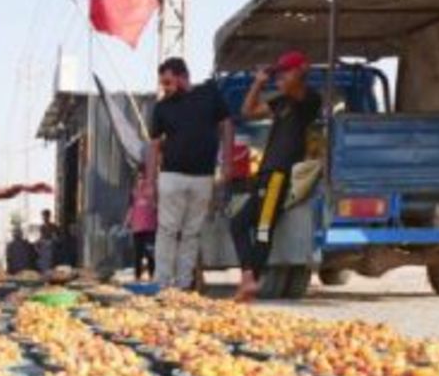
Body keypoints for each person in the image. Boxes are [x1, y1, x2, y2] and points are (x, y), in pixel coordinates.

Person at [232, 50, 323, 301]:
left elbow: (297, 91)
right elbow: (248, 111)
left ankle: (250, 280)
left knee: (263, 229)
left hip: (281, 175)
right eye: (279, 73)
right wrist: (258, 83)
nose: (280, 77)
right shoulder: (281, 102)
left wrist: (282, 77)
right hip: (266, 173)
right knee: (238, 222)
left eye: (285, 72)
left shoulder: (309, 100)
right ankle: (249, 277)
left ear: (300, 72)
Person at [148, 57, 231, 290]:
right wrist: (150, 181)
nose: (165, 87)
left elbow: (227, 125)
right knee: (167, 230)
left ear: (183, 76)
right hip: (171, 176)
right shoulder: (162, 107)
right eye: (162, 83)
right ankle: (162, 283)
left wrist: (227, 162)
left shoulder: (209, 93)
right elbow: (154, 145)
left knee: (192, 232)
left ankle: (184, 284)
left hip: (203, 176)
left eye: (168, 82)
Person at [128, 162, 157, 282]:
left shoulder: (153, 191)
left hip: (150, 228)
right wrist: (128, 221)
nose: (142, 181)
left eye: (144, 178)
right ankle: (137, 276)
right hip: (137, 228)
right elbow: (131, 207)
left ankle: (152, 275)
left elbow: (157, 206)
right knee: (137, 254)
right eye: (140, 178)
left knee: (150, 253)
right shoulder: (134, 192)